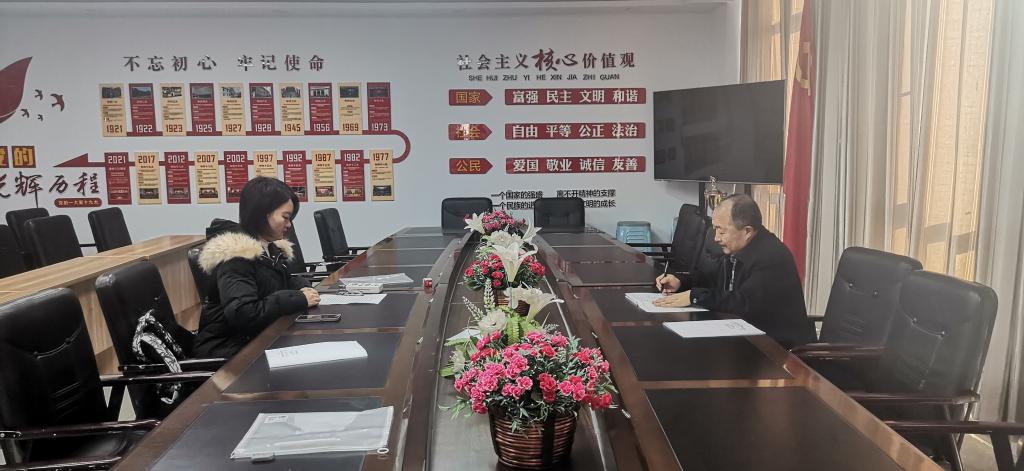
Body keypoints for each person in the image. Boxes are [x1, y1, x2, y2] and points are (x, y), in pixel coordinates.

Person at [654, 194, 812, 348]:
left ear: (747, 231)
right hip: (745, 336)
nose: (716, 238)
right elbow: (713, 278)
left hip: (777, 348)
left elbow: (743, 302)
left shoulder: (772, 257)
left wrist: (695, 296)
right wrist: (681, 281)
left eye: (721, 231)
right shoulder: (741, 248)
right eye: (715, 229)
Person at [193, 177, 320, 358]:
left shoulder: (268, 247)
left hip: (256, 338)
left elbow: (278, 280)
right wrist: (296, 298)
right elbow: (243, 313)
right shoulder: (236, 256)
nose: (289, 224)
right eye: (285, 217)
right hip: (229, 351)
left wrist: (302, 288)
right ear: (262, 214)